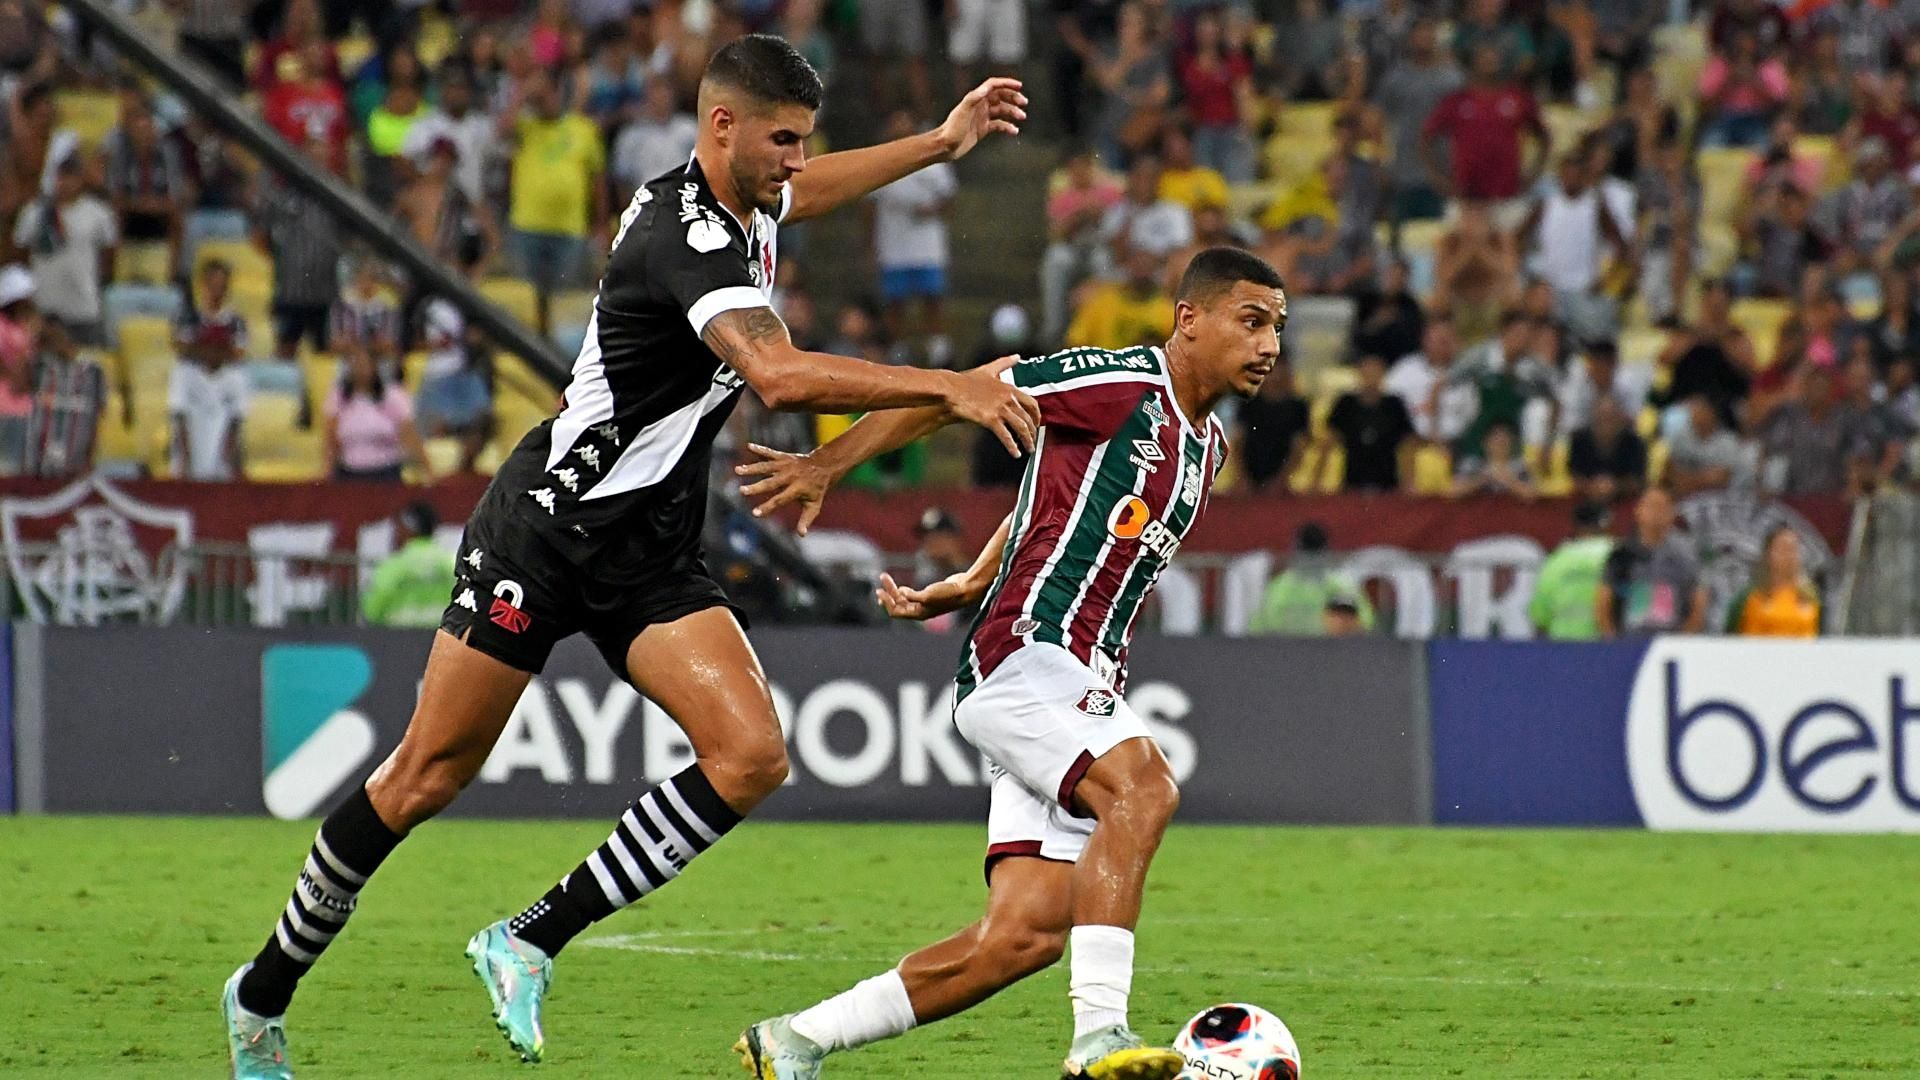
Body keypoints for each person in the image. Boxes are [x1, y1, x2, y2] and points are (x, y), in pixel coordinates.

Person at [218, 38, 1035, 1080]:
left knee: (751, 756)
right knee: (426, 775)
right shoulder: (681, 236)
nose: (796, 162)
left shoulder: (749, 198)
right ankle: (262, 994)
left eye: (804, 142)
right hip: (547, 531)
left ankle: (528, 939)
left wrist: (937, 143)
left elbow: (813, 190)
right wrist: (948, 384)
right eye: (782, 141)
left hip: (648, 548)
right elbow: (778, 377)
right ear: (721, 126)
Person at [729, 246, 1286, 1080]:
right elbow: (963, 392)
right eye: (1251, 321)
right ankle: (1099, 1035)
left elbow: (1056, 497)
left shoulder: (1208, 450)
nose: (1269, 344)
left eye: (1277, 327)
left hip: (1077, 677)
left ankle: (793, 1040)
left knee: (1021, 938)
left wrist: (970, 578)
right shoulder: (1120, 384)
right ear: (1189, 319)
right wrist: (826, 464)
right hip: (1029, 652)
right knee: (1144, 789)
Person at [501, 68, 607, 332]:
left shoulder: (584, 129)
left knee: (564, 307)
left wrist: (601, 224)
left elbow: (598, 182)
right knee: (526, 305)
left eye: (548, 93)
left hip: (570, 230)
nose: (543, 100)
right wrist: (523, 94)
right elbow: (501, 130)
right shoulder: (525, 127)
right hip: (526, 227)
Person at [868, 110, 959, 366]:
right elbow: (869, 206)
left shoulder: (933, 158)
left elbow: (949, 197)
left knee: (933, 299)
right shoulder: (879, 160)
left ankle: (939, 351)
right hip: (893, 245)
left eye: (904, 122)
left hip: (927, 246)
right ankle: (897, 351)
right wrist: (869, 245)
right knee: (896, 303)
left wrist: (932, 210)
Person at [1420, 41, 1548, 210]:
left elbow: (1543, 137)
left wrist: (1532, 175)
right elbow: (1426, 138)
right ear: (1473, 62)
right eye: (1483, 56)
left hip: (1507, 194)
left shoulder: (1517, 97)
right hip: (1467, 195)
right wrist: (1441, 180)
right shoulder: (1457, 100)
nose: (1489, 61)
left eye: (1493, 56)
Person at [11, 155, 116, 347]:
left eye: (71, 177)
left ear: (81, 179)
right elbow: (20, 253)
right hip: (44, 305)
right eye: (61, 176)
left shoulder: (98, 213)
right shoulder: (34, 212)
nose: (66, 183)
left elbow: (109, 253)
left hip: (83, 306)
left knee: (86, 358)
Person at [256, 137, 345, 363]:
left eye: (321, 157)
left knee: (326, 356)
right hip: (291, 291)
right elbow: (261, 235)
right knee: (285, 351)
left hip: (325, 293)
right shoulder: (284, 195)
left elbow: (351, 238)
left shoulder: (339, 198)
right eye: (312, 156)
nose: (316, 162)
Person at [169, 258, 250, 481]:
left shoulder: (236, 321)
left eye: (222, 285)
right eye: (212, 284)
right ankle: (184, 462)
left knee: (238, 378)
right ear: (203, 285)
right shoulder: (188, 316)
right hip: (195, 376)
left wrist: (204, 348)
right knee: (180, 373)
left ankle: (226, 465)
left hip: (222, 378)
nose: (217, 290)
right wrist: (218, 348)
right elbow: (181, 348)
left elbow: (238, 353)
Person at [1596, 486, 1707, 638]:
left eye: (1663, 507)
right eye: (1651, 506)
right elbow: (1604, 601)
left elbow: (1699, 601)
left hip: (1671, 640)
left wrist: (1685, 638)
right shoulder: (1622, 554)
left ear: (1673, 513)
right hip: (1630, 639)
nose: (1657, 513)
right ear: (1638, 510)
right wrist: (1612, 639)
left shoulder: (1687, 555)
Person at [1249, 522, 1377, 635]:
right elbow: (1258, 631)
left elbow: (1365, 627)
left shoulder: (1343, 588)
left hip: (1331, 652)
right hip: (1287, 651)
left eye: (1314, 555)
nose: (1311, 561)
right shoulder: (1279, 588)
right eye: (1308, 555)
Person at [1316, 353, 1417, 492]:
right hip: (1352, 480)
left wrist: (1409, 483)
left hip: (1388, 480)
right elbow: (1329, 439)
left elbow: (1409, 441)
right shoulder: (1346, 403)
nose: (1371, 378)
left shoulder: (1394, 404)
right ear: (1359, 374)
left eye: (1375, 373)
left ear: (1383, 374)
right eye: (1367, 373)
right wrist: (1317, 482)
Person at [24, 316, 104, 478]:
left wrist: (90, 458)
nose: (53, 341)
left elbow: (98, 416)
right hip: (35, 464)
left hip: (75, 461)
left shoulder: (93, 371)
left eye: (57, 336)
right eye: (47, 337)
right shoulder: (37, 367)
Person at [1529, 501, 1614, 640]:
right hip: (1608, 645)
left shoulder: (1558, 558)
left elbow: (1540, 615)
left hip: (1562, 643)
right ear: (1607, 523)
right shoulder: (1617, 553)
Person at [362, 501, 456, 627]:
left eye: (398, 527)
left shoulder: (392, 567)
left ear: (408, 528)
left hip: (400, 635)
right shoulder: (452, 564)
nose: (395, 533)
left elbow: (372, 610)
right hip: (443, 634)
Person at [1232, 347, 1309, 490]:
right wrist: (1242, 478)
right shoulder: (1249, 403)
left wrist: (1282, 480)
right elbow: (1238, 442)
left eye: (1279, 368)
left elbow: (1299, 448)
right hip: (1248, 482)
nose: (1275, 375)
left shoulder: (1298, 407)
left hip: (1283, 484)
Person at [1723, 525, 1821, 636]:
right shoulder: (1749, 596)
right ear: (1769, 553)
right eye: (1784, 548)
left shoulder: (1809, 596)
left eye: (1794, 549)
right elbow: (1729, 636)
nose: (1790, 555)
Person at [1567, 393, 1647, 503]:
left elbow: (1638, 481)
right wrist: (1592, 487)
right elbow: (1572, 477)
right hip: (1585, 501)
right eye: (1601, 417)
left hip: (1625, 501)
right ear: (1593, 418)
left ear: (1620, 417)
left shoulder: (1634, 442)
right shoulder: (1579, 441)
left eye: (1611, 417)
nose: (1606, 423)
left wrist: (1615, 487)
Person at [1667, 393, 1753, 495]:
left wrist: (1689, 481)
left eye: (1700, 410)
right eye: (1693, 411)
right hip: (1686, 494)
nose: (1694, 415)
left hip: (1720, 496)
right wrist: (1701, 478)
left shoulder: (1728, 441)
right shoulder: (1681, 437)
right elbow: (1670, 469)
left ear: (1711, 414)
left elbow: (1721, 478)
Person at [0, 264, 37, 473]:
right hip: (3, 404)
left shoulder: (23, 327)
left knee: (14, 468)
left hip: (21, 406)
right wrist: (17, 376)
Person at [1450, 418, 1535, 498]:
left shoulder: (1521, 466)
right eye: (1496, 439)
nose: (1500, 443)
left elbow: (1532, 494)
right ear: (1484, 443)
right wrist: (1484, 478)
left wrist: (1506, 479)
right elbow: (1453, 491)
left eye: (1505, 440)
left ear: (1513, 443)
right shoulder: (1472, 464)